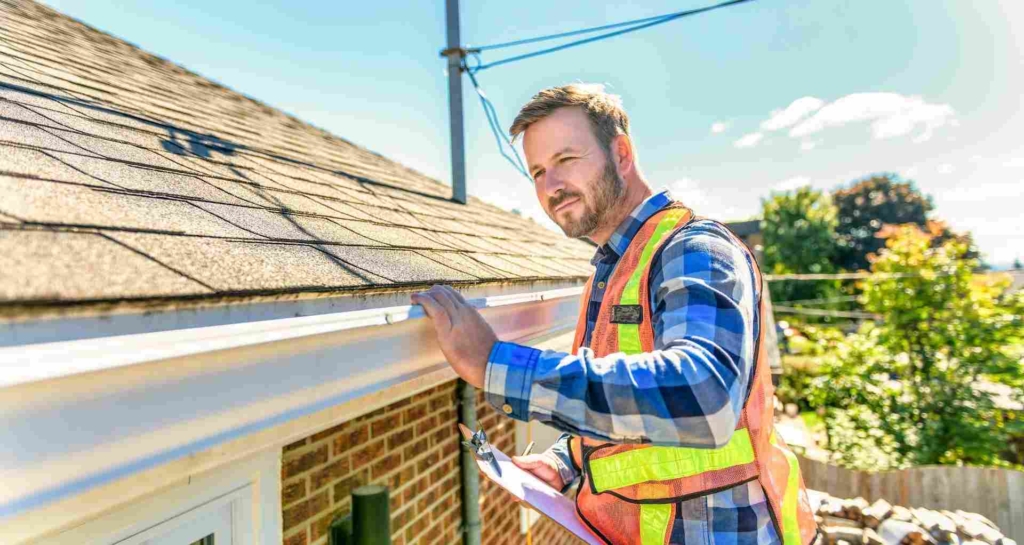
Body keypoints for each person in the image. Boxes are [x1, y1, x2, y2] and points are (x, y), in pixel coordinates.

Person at [412, 84, 817, 545]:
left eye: (565, 160)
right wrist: (565, 459)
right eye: (538, 172)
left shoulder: (692, 249)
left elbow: (705, 397)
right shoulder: (614, 270)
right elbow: (631, 412)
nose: (551, 186)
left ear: (621, 152)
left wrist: (495, 365)